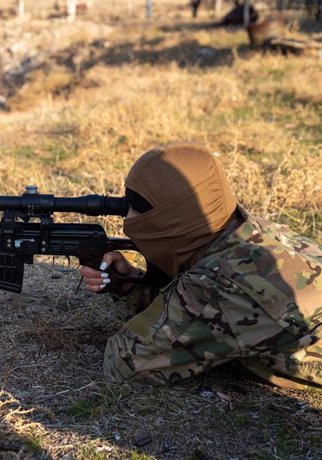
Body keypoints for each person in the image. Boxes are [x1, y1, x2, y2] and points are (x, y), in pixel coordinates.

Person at [81, 142, 322, 389]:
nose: (128, 217)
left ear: (170, 219)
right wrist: (129, 284)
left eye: (138, 208)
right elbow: (193, 316)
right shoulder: (252, 231)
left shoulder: (217, 284)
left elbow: (126, 364)